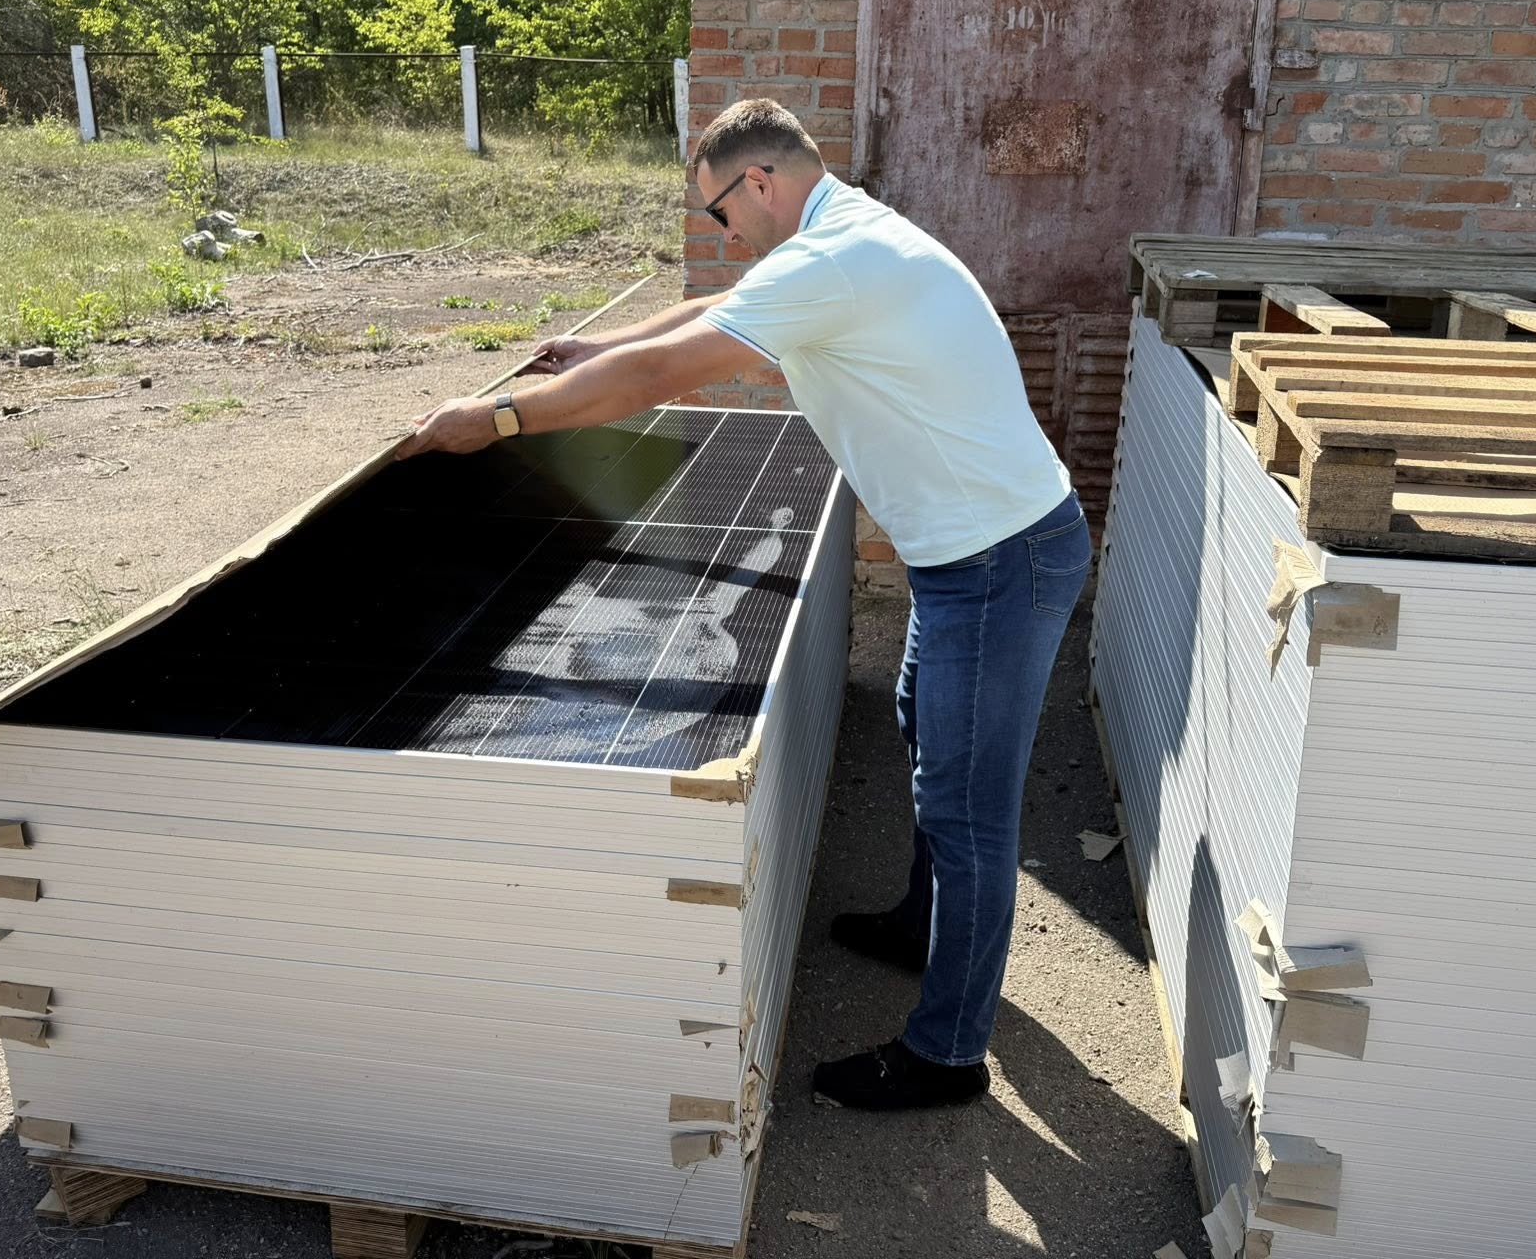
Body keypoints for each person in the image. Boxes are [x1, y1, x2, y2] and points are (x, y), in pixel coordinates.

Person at [399, 98, 1089, 1111]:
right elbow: (709, 311)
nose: (725, 235)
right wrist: (596, 347)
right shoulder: (840, 234)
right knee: (922, 729)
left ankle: (948, 1055)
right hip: (972, 557)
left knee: (967, 807)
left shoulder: (833, 262)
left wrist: (498, 418)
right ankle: (923, 924)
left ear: (757, 182)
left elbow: (661, 374)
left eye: (721, 214)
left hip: (996, 564)